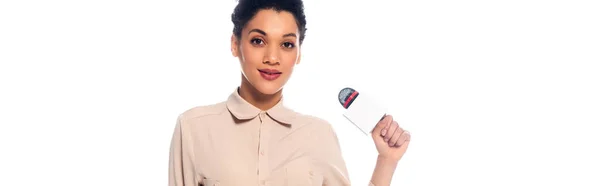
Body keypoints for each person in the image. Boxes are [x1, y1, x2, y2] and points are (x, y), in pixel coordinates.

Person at [168, 0, 411, 185]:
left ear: (299, 53)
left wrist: (386, 160)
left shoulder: (319, 134)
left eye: (286, 44)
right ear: (235, 44)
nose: (272, 58)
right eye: (258, 41)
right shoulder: (193, 128)